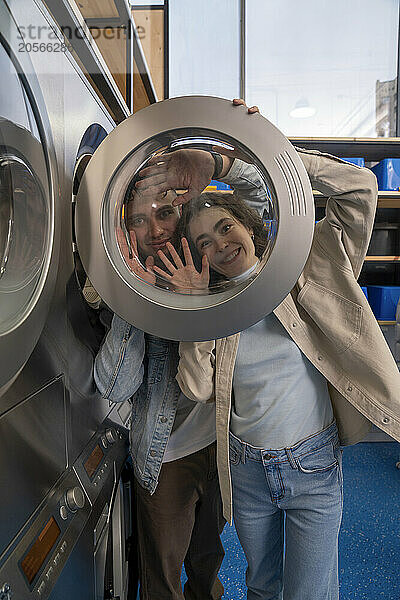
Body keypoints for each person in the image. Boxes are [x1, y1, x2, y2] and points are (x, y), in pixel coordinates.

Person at [149, 99, 400, 600]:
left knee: (311, 594)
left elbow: (359, 188)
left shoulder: (313, 260)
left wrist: (248, 153)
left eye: (224, 226)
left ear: (247, 221)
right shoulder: (214, 309)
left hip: (312, 464)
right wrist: (196, 310)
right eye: (202, 243)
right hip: (246, 468)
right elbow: (197, 387)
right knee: (262, 588)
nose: (218, 244)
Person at [94, 143, 267, 599]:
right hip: (165, 454)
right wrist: (133, 303)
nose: (154, 230)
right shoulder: (122, 286)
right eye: (137, 220)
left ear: (182, 214)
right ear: (122, 230)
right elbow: (113, 386)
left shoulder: (210, 260)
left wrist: (221, 158)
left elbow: (264, 200)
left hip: (224, 442)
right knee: (163, 577)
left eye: (164, 214)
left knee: (208, 564)